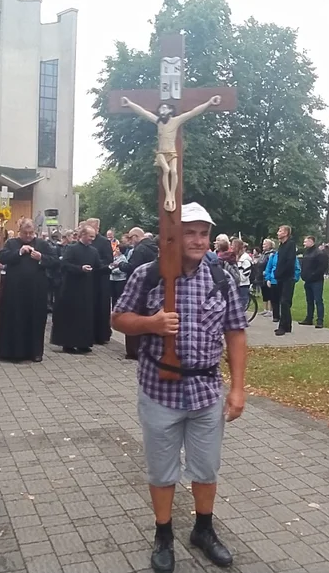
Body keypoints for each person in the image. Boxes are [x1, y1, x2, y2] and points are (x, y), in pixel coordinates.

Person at [112, 203, 248, 573]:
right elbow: (118, 318)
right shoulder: (148, 274)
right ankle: (163, 534)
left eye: (204, 233)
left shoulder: (222, 277)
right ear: (173, 236)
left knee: (206, 468)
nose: (199, 240)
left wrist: (238, 389)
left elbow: (236, 333)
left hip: (206, 392)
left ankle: (203, 529)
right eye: (191, 233)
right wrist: (151, 323)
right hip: (159, 390)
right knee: (162, 471)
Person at [0, 220, 58, 362]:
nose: (28, 236)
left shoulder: (42, 244)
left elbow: (55, 261)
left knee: (35, 320)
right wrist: (19, 252)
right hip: (15, 290)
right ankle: (13, 352)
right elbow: (3, 258)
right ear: (20, 232)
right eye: (25, 233)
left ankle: (35, 352)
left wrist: (41, 258)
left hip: (36, 290)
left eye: (31, 233)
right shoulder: (12, 243)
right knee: (15, 319)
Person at [52, 225, 101, 353]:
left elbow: (98, 266)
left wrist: (109, 267)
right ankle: (68, 343)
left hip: (87, 288)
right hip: (71, 288)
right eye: (90, 236)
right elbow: (64, 264)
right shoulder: (71, 248)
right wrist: (80, 268)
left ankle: (83, 343)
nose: (92, 239)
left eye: (93, 237)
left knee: (85, 316)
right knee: (71, 316)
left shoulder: (94, 251)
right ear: (82, 235)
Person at [118, 227, 157, 360]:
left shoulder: (139, 249)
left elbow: (133, 267)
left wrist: (121, 264)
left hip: (139, 287)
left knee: (132, 317)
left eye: (130, 238)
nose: (130, 241)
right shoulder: (154, 247)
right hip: (153, 287)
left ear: (135, 236)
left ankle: (133, 351)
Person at [88, 218, 115, 345]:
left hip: (100, 279)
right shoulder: (87, 241)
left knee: (101, 307)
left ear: (97, 228)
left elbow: (108, 259)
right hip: (89, 278)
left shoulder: (104, 242)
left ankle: (101, 335)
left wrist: (95, 264)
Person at [273, 225, 298, 335]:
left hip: (287, 277)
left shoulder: (290, 245)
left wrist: (281, 272)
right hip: (280, 277)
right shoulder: (281, 246)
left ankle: (283, 326)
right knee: (282, 302)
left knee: (285, 301)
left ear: (286, 233)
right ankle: (287, 325)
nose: (278, 233)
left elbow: (289, 262)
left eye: (280, 231)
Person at [299, 236, 329, 328]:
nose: (304, 244)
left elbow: (322, 267)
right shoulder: (306, 253)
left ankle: (320, 320)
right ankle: (309, 318)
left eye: (305, 242)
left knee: (318, 300)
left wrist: (312, 275)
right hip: (307, 280)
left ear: (311, 242)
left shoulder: (319, 253)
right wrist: (303, 275)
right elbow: (304, 265)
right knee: (309, 300)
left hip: (316, 281)